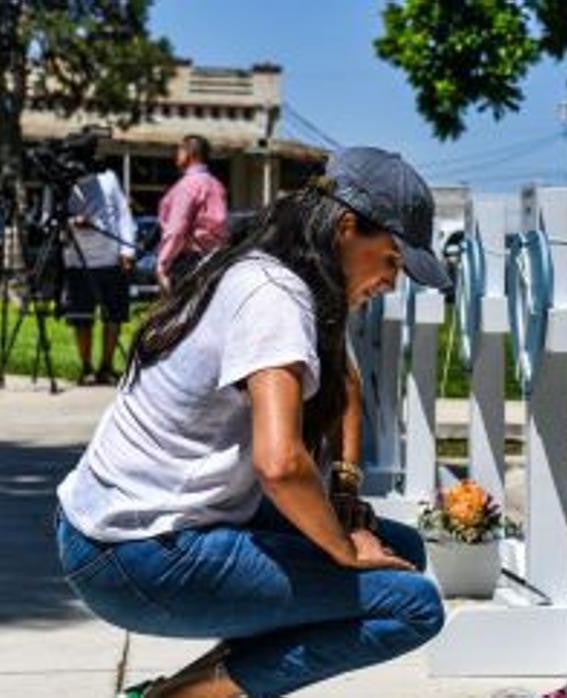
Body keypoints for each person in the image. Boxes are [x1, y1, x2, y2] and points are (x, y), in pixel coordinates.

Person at [55, 147, 453, 698]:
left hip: (125, 532)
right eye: (391, 260)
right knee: (411, 607)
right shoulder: (274, 297)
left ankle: (182, 690)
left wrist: (343, 492)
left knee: (400, 548)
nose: (393, 281)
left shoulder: (274, 272)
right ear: (345, 227)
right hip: (134, 554)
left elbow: (346, 387)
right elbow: (280, 463)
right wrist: (342, 546)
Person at [58, 137, 138, 386]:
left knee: (113, 316)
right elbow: (53, 219)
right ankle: (86, 367)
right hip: (77, 260)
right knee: (82, 318)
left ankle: (107, 365)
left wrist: (127, 251)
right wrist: (74, 223)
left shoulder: (109, 179)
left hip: (111, 257)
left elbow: (124, 214)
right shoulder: (63, 183)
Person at [156, 134, 228, 291]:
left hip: (190, 263)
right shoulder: (216, 184)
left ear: (190, 153)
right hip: (217, 261)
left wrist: (163, 263)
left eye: (179, 150)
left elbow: (176, 229)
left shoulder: (188, 185)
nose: (176, 155)